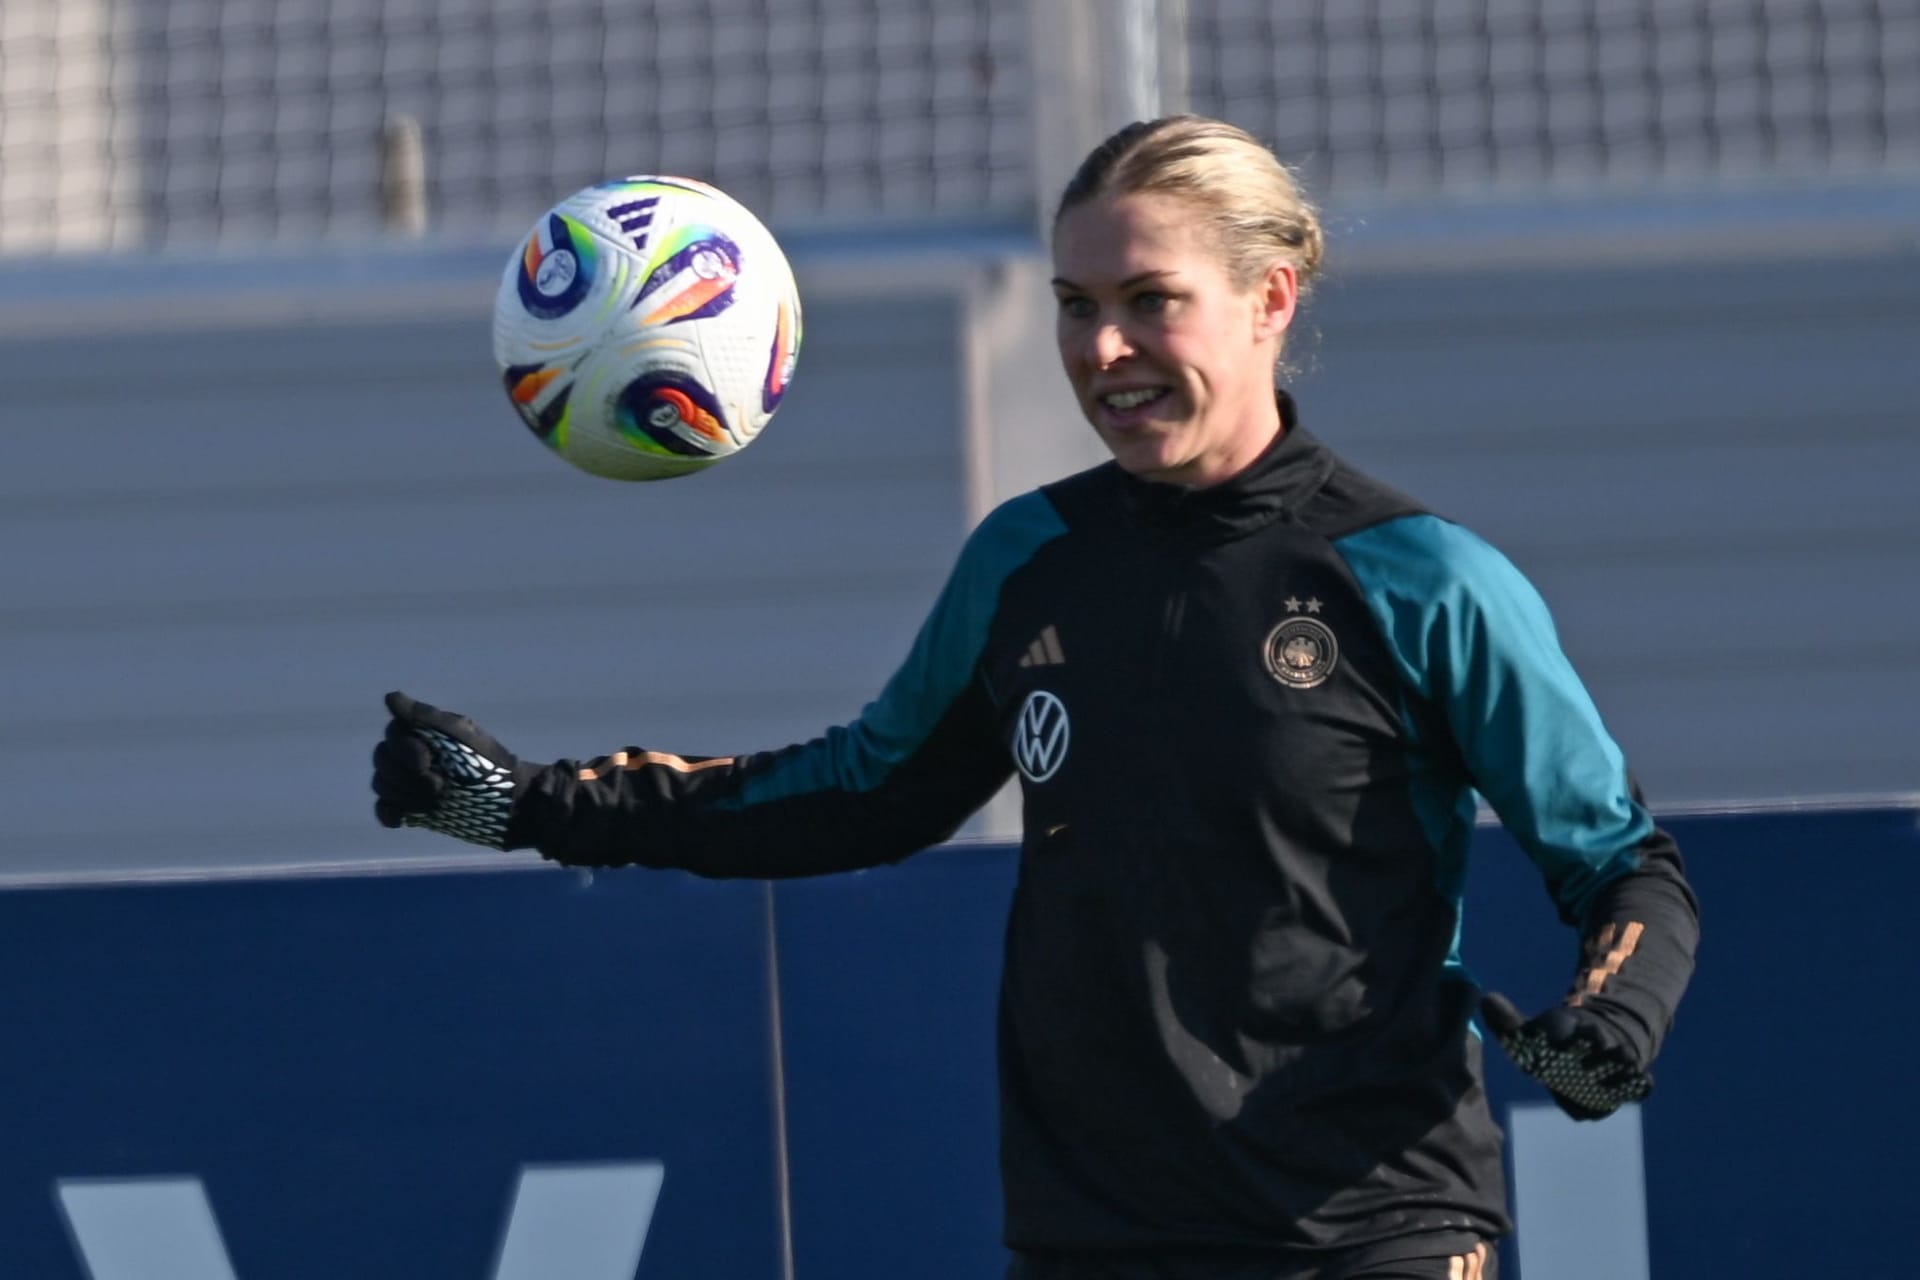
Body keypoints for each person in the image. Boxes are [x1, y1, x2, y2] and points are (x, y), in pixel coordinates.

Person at [372, 115, 1698, 1279]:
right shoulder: (1029, 561)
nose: (1103, 346)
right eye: (1073, 303)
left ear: (1271, 298)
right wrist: (521, 805)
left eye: (1148, 299)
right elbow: (861, 795)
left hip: (1368, 1233)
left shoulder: (1423, 580)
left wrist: (1614, 1022)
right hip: (1094, 1237)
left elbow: (1627, 866)